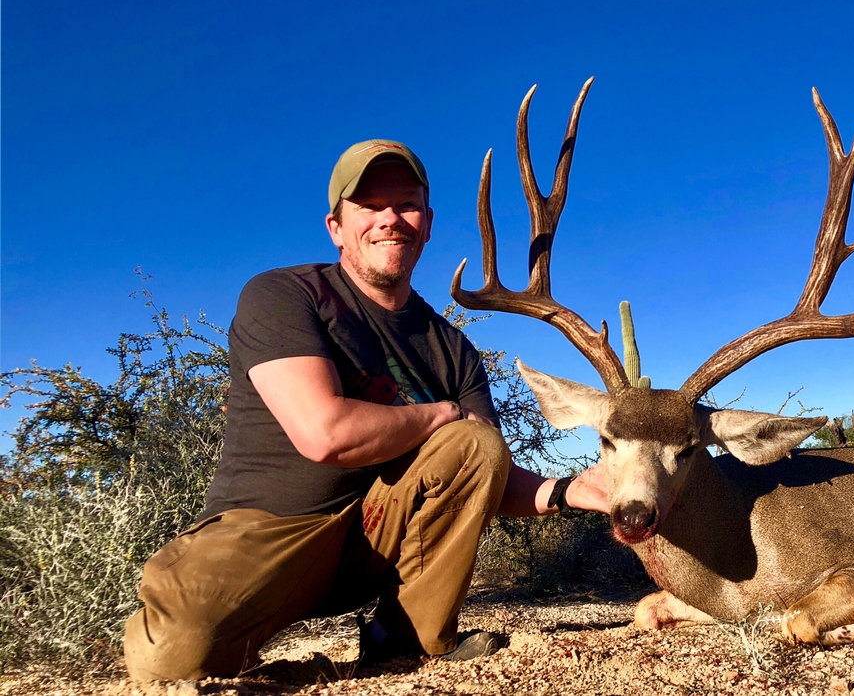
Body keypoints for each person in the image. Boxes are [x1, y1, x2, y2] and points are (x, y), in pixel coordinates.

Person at [123, 140, 608, 681]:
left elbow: (483, 469)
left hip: (376, 537)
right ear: (336, 227)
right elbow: (325, 434)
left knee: (477, 442)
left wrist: (569, 491)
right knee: (174, 656)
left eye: (405, 205)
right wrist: (440, 414)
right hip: (269, 531)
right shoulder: (284, 295)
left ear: (427, 225)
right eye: (369, 207)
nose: (389, 220)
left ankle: (405, 637)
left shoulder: (453, 349)